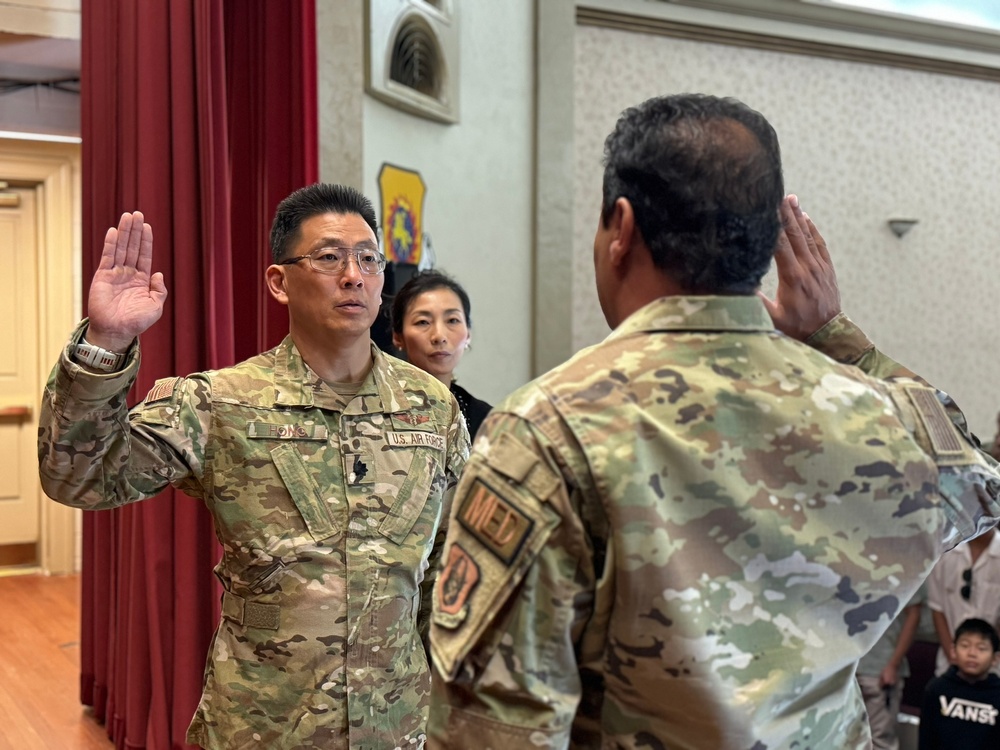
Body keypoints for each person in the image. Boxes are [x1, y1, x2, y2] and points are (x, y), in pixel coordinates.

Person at [425, 94, 1000, 749]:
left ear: (621, 226)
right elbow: (979, 478)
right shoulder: (881, 415)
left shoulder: (549, 429)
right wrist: (840, 338)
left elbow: (492, 728)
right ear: (763, 239)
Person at [37, 184, 469, 749]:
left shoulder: (431, 408)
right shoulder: (222, 402)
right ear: (278, 281)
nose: (353, 276)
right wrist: (106, 343)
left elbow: (448, 573)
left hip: (397, 726)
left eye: (368, 258)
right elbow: (77, 476)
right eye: (329, 257)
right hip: (265, 728)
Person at [390, 270, 492, 438]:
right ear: (398, 337)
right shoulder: (377, 407)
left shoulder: (484, 419)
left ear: (468, 334)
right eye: (423, 322)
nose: (439, 336)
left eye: (452, 320)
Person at [856, 586, 925, 749]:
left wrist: (893, 663)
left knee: (880, 739)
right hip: (846, 667)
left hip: (880, 667)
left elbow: (914, 614)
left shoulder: (905, 565)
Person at [928, 527, 1000, 676]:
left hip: (993, 666)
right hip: (949, 663)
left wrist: (990, 654)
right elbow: (937, 609)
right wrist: (953, 655)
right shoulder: (945, 549)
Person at [919, 618, 1000, 749]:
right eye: (965, 645)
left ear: (995, 658)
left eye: (981, 648)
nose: (972, 654)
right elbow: (926, 740)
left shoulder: (997, 695)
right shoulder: (936, 689)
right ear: (953, 651)